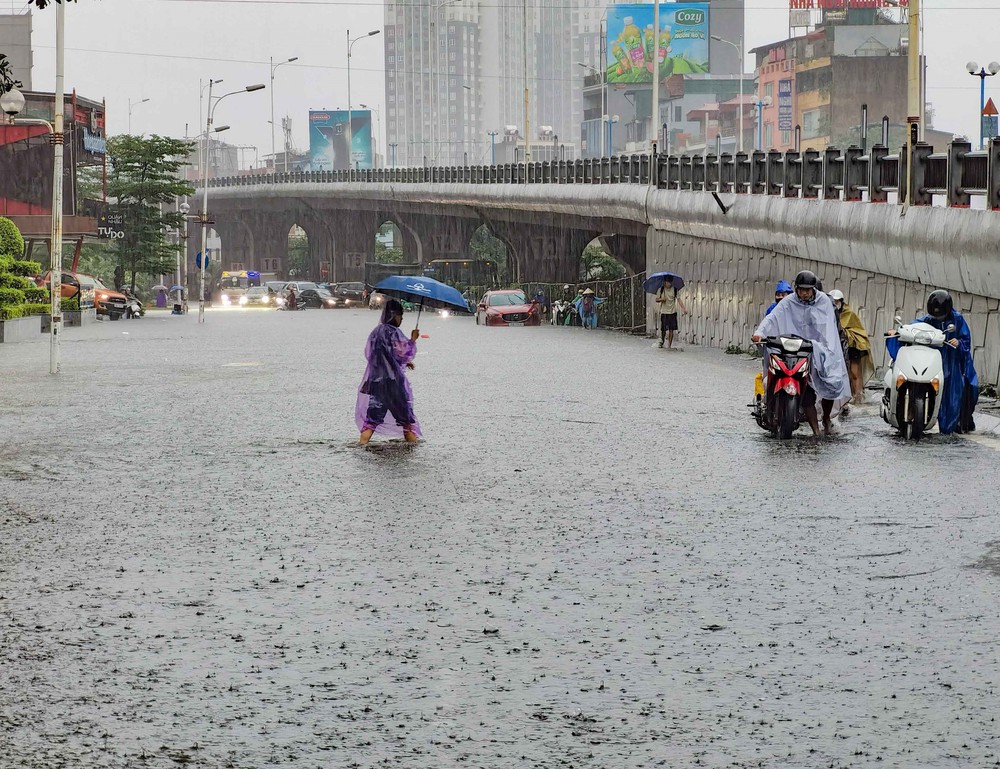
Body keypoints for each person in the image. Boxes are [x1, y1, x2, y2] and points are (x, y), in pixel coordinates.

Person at [752, 270, 850, 437]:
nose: (804, 293)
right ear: (796, 289)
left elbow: (829, 329)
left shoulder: (824, 302)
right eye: (801, 290)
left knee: (831, 383)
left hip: (819, 349)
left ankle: (826, 418)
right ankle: (815, 430)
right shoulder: (788, 301)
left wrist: (825, 348)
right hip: (794, 349)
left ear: (813, 289)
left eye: (808, 290)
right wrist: (759, 333)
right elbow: (773, 317)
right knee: (807, 392)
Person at [886, 289, 978, 434]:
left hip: (952, 363)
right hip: (931, 361)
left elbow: (965, 340)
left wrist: (959, 343)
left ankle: (953, 427)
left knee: (954, 396)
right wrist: (897, 331)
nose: (938, 318)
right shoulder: (928, 320)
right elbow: (913, 327)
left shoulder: (957, 319)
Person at [356, 298, 421, 445]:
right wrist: (412, 340)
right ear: (394, 315)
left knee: (372, 420)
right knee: (406, 421)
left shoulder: (375, 333)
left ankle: (362, 445)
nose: (401, 319)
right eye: (400, 316)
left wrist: (402, 362)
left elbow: (375, 354)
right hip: (393, 384)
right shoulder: (394, 332)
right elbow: (402, 352)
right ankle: (413, 449)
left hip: (376, 382)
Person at [828, 289, 873, 405]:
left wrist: (846, 334)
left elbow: (857, 330)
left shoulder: (849, 313)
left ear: (841, 301)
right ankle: (848, 397)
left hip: (853, 345)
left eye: (837, 301)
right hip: (837, 347)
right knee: (844, 373)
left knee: (854, 372)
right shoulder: (827, 313)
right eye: (833, 301)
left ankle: (858, 397)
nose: (835, 303)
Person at [655, 275, 688, 349]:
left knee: (671, 329)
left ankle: (669, 345)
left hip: (672, 312)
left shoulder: (675, 290)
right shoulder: (661, 289)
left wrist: (684, 308)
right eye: (667, 282)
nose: (668, 284)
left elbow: (679, 300)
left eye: (670, 282)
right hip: (664, 312)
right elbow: (656, 299)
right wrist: (662, 299)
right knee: (663, 329)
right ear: (664, 282)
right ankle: (662, 341)